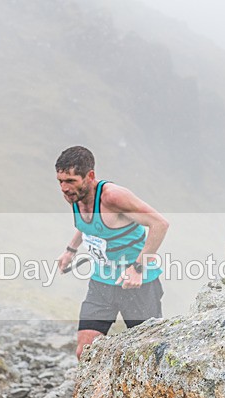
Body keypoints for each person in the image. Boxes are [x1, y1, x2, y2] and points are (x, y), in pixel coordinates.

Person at [55, 146, 169, 360]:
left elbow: (160, 224)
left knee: (149, 354)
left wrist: (137, 269)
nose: (64, 188)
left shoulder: (113, 197)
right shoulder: (74, 196)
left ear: (90, 176)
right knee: (85, 351)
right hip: (102, 283)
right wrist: (70, 250)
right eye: (60, 181)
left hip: (138, 285)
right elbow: (88, 224)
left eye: (70, 181)